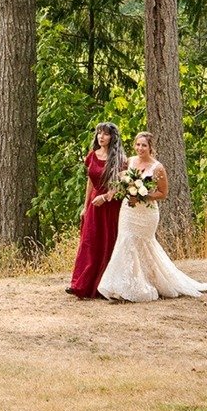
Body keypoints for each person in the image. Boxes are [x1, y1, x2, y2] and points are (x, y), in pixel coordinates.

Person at [97, 131, 207, 302]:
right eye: (138, 144)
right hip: (128, 210)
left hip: (147, 213)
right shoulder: (130, 161)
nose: (140, 148)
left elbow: (163, 193)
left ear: (150, 147)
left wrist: (143, 195)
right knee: (125, 242)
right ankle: (123, 287)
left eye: (144, 145)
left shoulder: (157, 167)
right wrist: (110, 195)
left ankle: (149, 283)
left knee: (144, 246)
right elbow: (120, 183)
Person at [66, 122, 125, 298]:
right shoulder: (92, 155)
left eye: (105, 134)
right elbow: (90, 182)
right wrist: (85, 207)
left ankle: (104, 286)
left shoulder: (120, 159)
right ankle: (81, 284)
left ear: (112, 137)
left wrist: (106, 197)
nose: (101, 136)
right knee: (89, 241)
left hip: (111, 204)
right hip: (94, 203)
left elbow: (121, 185)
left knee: (107, 242)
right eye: (99, 133)